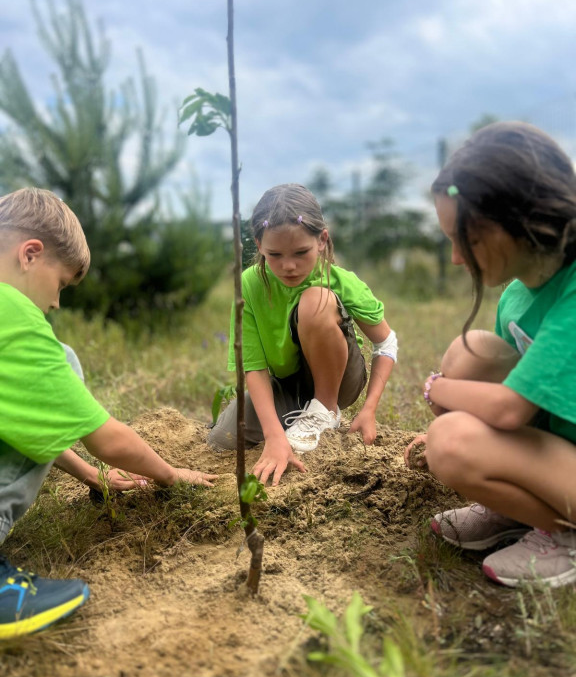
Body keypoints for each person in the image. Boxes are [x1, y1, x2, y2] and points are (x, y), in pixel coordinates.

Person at [0, 188, 218, 639]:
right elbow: (109, 440)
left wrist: (89, 475)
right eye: (59, 284)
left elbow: (19, 413)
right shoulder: (16, 318)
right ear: (30, 254)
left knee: (62, 356)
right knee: (64, 360)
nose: (57, 302)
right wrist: (171, 475)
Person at [405, 122, 576, 588]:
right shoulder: (516, 298)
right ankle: (514, 507)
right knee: (472, 353)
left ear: (520, 217)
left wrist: (437, 390)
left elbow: (508, 408)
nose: (458, 258)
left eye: (468, 239)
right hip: (559, 447)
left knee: (453, 442)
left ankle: (566, 536)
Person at [209, 183, 397, 486]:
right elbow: (254, 367)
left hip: (341, 380)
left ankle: (325, 410)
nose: (289, 266)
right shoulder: (249, 285)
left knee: (314, 301)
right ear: (258, 244)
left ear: (322, 240)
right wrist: (273, 438)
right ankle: (299, 418)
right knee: (224, 436)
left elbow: (386, 341)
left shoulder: (340, 281)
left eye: (301, 252)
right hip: (289, 385)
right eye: (275, 254)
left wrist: (370, 408)